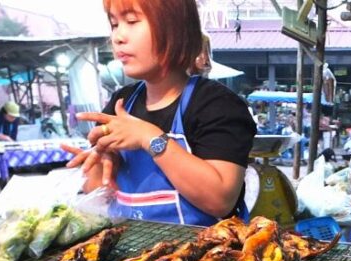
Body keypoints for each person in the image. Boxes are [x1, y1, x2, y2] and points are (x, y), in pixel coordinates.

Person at [63, 0, 256, 225]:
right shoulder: (121, 102)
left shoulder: (217, 105)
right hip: (133, 254)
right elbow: (98, 189)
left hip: (209, 255)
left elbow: (220, 200)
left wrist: (149, 138)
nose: (118, 37)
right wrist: (99, 162)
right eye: (115, 24)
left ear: (175, 28)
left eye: (132, 21)